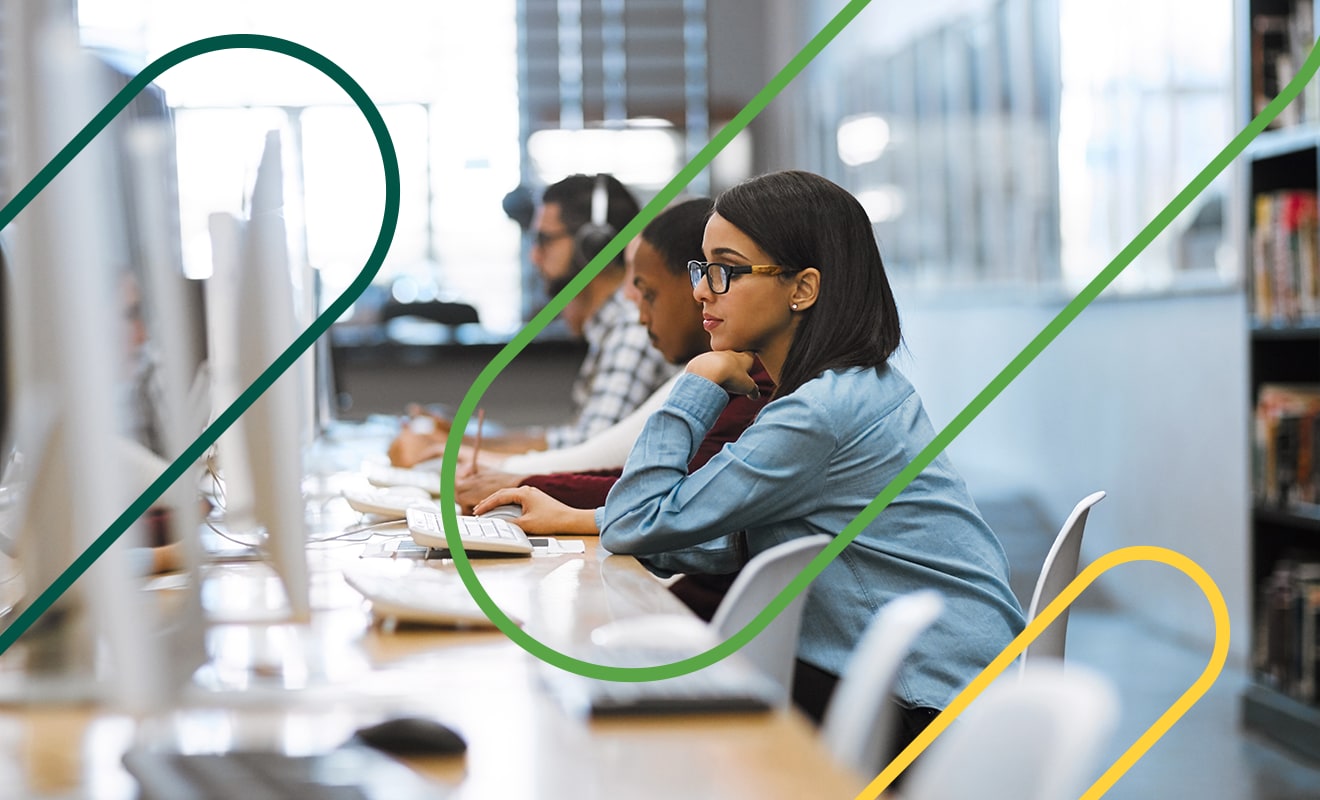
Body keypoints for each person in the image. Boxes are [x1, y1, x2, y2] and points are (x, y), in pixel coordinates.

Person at [475, 170, 1026, 759]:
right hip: (954, 684)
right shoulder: (848, 388)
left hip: (925, 707)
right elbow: (743, 536)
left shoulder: (817, 414)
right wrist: (577, 518)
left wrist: (697, 381)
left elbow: (642, 522)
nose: (701, 291)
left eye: (726, 270)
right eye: (702, 268)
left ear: (803, 289)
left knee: (621, 705)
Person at [389, 174, 678, 466]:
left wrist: (447, 450)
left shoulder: (632, 329)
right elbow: (569, 440)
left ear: (593, 246)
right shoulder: (612, 327)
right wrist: (457, 439)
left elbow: (583, 457)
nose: (534, 256)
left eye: (544, 239)